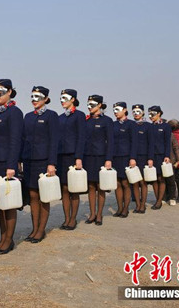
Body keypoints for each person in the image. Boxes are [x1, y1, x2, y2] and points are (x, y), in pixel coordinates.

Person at [0, 79, 23, 254]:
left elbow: (15, 140)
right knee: (0, 203)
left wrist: (11, 165)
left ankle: (9, 240)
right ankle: (2, 237)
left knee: (9, 203)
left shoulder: (14, 113)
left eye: (0, 91)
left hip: (6, 164)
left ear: (9, 92)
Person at [22, 86, 58, 243]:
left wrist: (52, 163)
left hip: (44, 161)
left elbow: (54, 141)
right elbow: (23, 140)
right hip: (29, 160)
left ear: (46, 99)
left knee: (43, 196)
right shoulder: (28, 116)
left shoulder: (52, 116)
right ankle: (34, 228)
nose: (34, 100)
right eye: (32, 96)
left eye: (38, 97)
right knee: (32, 195)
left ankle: (41, 230)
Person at [57, 89, 85, 230]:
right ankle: (66, 219)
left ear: (73, 99)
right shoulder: (60, 117)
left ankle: (73, 219)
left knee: (73, 189)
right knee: (64, 189)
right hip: (61, 156)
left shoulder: (79, 116)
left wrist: (78, 157)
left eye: (65, 98)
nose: (62, 100)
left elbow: (81, 138)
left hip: (73, 156)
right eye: (61, 98)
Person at [83, 95, 113, 226]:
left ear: (100, 105)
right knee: (90, 186)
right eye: (89, 104)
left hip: (101, 156)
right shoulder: (86, 120)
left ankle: (99, 214)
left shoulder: (107, 121)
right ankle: (92, 214)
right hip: (88, 156)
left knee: (101, 187)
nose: (90, 107)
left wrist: (108, 159)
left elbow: (111, 142)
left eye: (93, 104)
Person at [112, 102, 137, 218]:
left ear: (125, 110)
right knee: (117, 183)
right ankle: (119, 208)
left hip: (126, 156)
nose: (115, 112)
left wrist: (132, 158)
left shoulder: (131, 124)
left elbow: (134, 142)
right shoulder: (113, 124)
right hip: (115, 156)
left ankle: (126, 208)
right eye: (114, 110)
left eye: (117, 109)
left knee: (125, 183)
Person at [131, 104, 154, 213]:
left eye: (138, 111)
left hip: (144, 156)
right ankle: (137, 204)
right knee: (135, 182)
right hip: (132, 157)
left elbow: (151, 143)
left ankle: (143, 205)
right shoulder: (131, 125)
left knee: (143, 182)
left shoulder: (148, 126)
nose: (136, 114)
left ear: (143, 113)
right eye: (134, 112)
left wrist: (150, 158)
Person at [147, 106, 171, 210]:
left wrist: (167, 155)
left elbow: (167, 142)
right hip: (151, 155)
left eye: (153, 114)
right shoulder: (149, 126)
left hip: (162, 155)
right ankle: (158, 199)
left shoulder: (165, 126)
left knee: (161, 178)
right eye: (150, 114)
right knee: (154, 178)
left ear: (159, 114)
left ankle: (159, 201)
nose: (151, 116)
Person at [168, 119, 179, 202]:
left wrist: (178, 160)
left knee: (176, 178)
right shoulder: (178, 134)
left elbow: (178, 149)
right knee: (174, 178)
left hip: (175, 160)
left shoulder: (177, 135)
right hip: (175, 159)